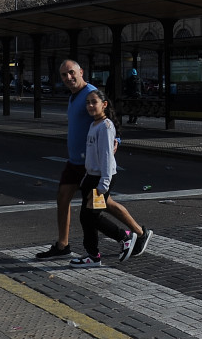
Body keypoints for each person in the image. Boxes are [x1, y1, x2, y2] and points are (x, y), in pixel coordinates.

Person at [35, 59, 153, 260]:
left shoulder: (91, 93)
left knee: (103, 204)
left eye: (72, 73)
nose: (68, 78)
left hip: (92, 167)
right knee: (63, 198)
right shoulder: (74, 96)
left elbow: (111, 118)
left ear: (81, 72)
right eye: (64, 75)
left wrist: (116, 139)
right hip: (76, 162)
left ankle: (140, 233)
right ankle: (62, 245)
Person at [70, 89, 138, 267]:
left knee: (90, 217)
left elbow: (107, 157)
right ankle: (92, 255)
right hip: (92, 178)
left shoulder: (106, 127)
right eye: (88, 103)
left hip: (101, 179)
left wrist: (103, 184)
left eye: (94, 102)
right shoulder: (95, 125)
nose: (90, 106)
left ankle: (124, 238)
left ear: (104, 105)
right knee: (87, 217)